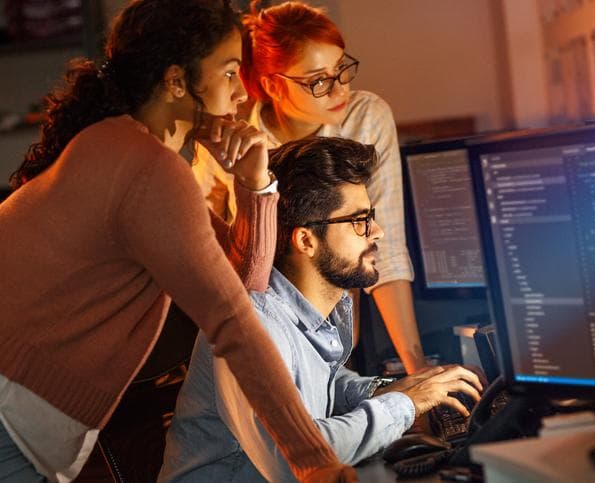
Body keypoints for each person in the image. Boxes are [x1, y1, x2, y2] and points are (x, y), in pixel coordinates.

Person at [0, 1, 353, 481]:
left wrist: (255, 183)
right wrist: (315, 459)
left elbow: (243, 281)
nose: (240, 91)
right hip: (9, 406)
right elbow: (235, 321)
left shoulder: (127, 149)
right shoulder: (148, 169)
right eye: (230, 72)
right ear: (176, 82)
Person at [160, 137, 483, 482]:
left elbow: (320, 381)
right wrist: (404, 406)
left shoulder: (318, 309)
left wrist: (386, 390)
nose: (378, 232)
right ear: (306, 241)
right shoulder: (253, 321)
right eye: (360, 221)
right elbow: (293, 460)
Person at [192, 0, 428, 374]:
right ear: (272, 85)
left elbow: (387, 248)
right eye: (318, 80)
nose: (340, 89)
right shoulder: (234, 134)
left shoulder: (365, 117)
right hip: (255, 325)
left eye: (341, 70)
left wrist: (417, 367)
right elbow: (197, 241)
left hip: (340, 325)